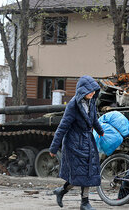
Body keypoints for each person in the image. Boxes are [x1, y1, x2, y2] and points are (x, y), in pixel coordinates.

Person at [49, 76, 104, 210]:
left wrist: (100, 131)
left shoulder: (91, 102)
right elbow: (62, 127)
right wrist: (54, 147)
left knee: (88, 173)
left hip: (88, 141)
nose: (92, 93)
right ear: (82, 91)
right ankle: (77, 199)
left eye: (93, 90)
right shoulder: (73, 105)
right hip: (74, 144)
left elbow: (94, 119)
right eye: (89, 91)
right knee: (80, 174)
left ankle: (77, 199)